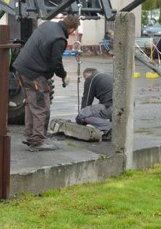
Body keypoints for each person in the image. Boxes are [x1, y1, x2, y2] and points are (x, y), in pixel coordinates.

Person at [12, 14, 80, 151]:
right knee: (41, 106)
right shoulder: (59, 39)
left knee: (32, 103)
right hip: (34, 74)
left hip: (21, 69)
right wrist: (64, 75)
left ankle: (29, 135)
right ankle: (37, 141)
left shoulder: (47, 25)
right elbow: (56, 62)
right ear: (72, 29)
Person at [75, 67, 113, 138]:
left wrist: (82, 116)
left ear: (88, 75)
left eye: (85, 78)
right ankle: (109, 125)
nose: (86, 81)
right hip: (123, 106)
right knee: (98, 111)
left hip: (111, 107)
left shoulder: (91, 78)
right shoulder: (106, 76)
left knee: (80, 117)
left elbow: (86, 101)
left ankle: (107, 127)